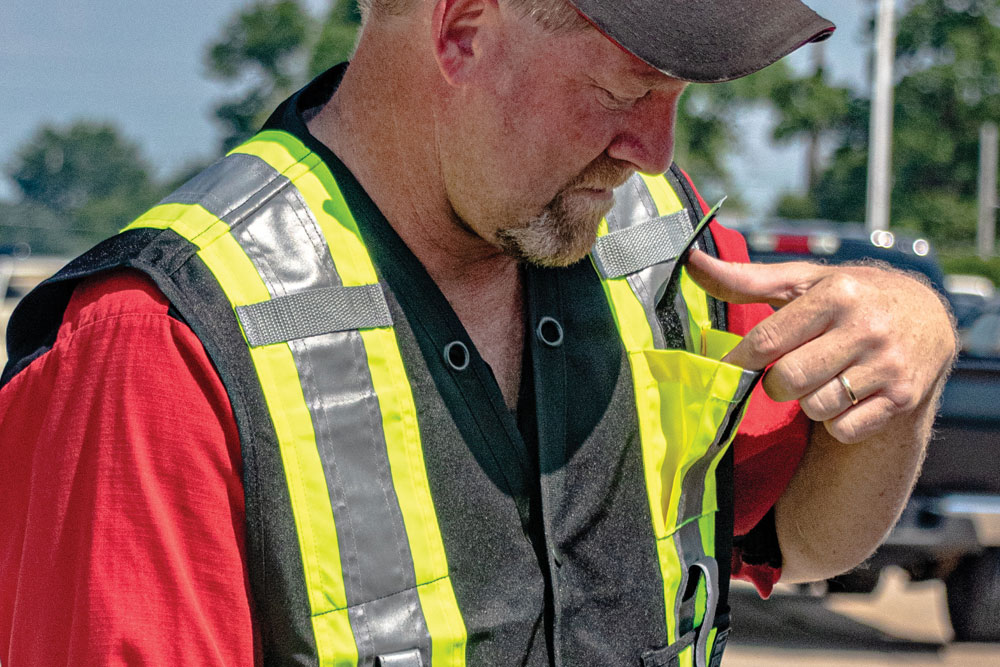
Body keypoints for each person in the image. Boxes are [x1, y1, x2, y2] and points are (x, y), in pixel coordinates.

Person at [0, 0, 956, 665]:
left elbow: (801, 536)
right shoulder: (158, 342)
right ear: (460, 28)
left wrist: (911, 352)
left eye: (679, 97)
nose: (654, 153)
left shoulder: (656, 238)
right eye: (626, 93)